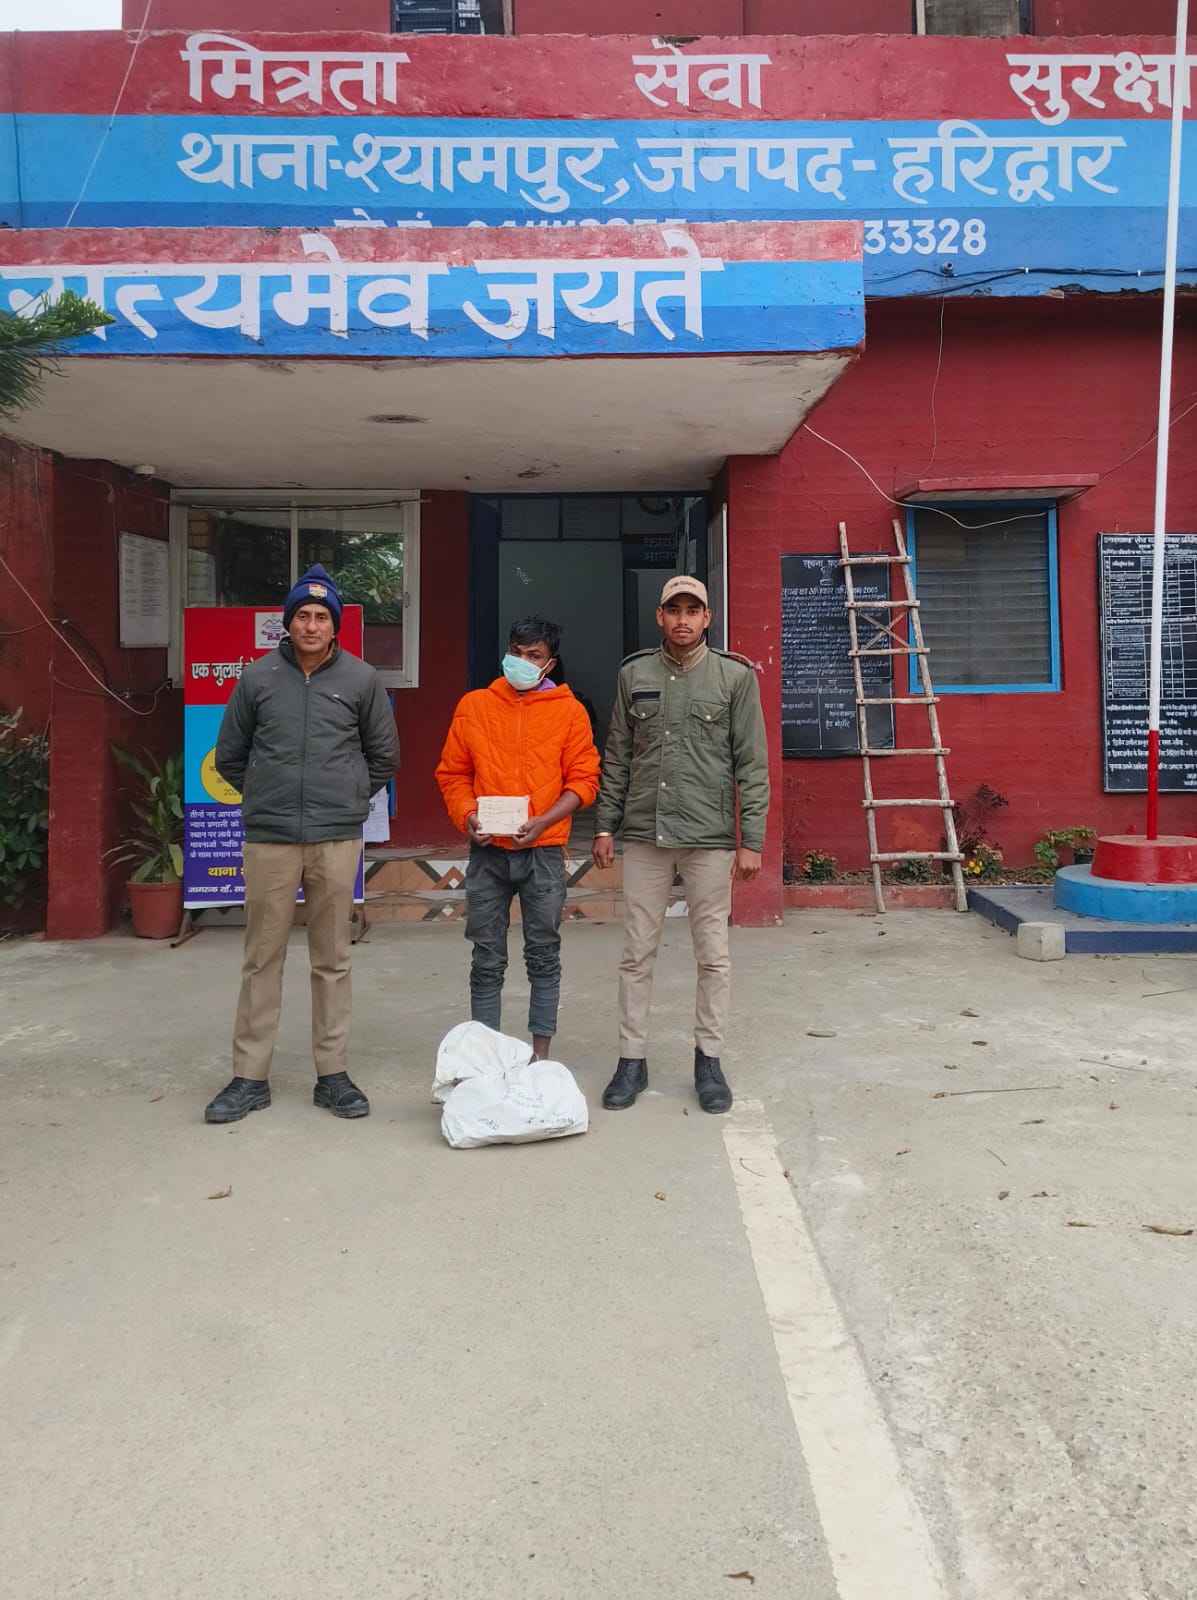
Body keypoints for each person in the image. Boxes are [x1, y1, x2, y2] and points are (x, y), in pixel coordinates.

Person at [203, 564, 399, 1124]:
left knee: (332, 958)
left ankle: (332, 1075)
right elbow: (230, 756)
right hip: (270, 840)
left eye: (321, 617)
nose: (311, 625)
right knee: (261, 958)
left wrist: (347, 796)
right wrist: (268, 795)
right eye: (302, 616)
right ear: (287, 623)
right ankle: (249, 1077)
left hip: (336, 838)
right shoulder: (257, 678)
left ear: (335, 626)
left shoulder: (361, 679)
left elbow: (384, 755)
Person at [592, 576, 769, 1114]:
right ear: (660, 616)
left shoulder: (734, 677)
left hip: (708, 839)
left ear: (708, 618)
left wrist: (751, 840)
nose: (683, 619)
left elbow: (752, 765)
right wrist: (605, 825)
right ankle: (631, 1060)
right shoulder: (635, 674)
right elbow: (618, 756)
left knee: (713, 956)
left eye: (694, 610)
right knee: (635, 954)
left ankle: (708, 1060)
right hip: (646, 834)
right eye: (675, 610)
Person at [435, 615, 600, 1061]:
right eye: (516, 652)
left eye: (533, 656)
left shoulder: (569, 712)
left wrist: (544, 821)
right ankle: (486, 1055)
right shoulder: (474, 706)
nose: (522, 662)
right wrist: (468, 816)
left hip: (543, 852)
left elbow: (584, 780)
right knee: (485, 957)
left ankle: (539, 1056)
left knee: (543, 954)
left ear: (549, 664)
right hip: (488, 851)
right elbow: (453, 774)